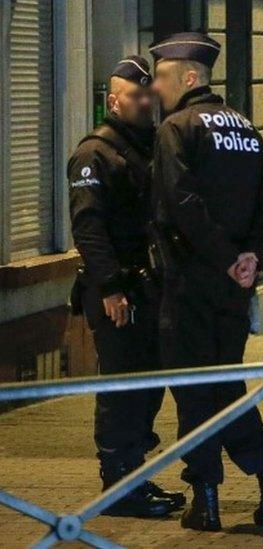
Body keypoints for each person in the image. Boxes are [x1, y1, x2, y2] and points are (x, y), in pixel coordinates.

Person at [148, 32, 263, 531]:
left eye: (161, 77)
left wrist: (228, 258)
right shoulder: (247, 129)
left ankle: (205, 496)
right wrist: (251, 259)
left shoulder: (176, 128)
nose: (156, 87)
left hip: (190, 282)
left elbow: (181, 203)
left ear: (188, 77)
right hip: (235, 284)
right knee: (226, 384)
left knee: (193, 389)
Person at [68, 55, 185, 518]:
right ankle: (118, 487)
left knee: (146, 388)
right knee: (122, 392)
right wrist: (111, 288)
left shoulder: (149, 145)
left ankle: (133, 476)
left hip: (148, 289)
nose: (144, 101)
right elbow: (89, 228)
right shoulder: (93, 153)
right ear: (113, 100)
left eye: (147, 94)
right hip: (118, 294)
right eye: (135, 95)